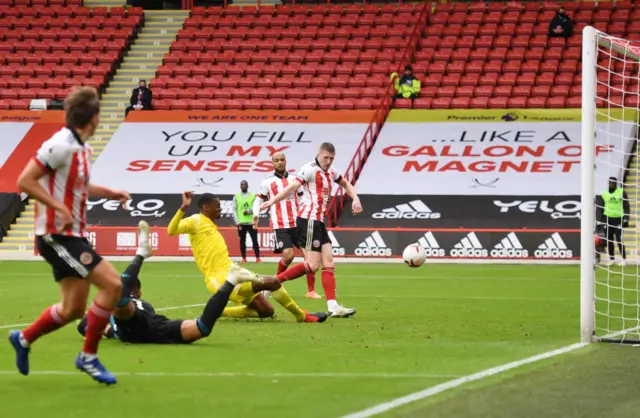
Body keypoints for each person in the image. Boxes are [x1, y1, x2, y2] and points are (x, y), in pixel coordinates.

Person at [9, 87, 129, 385]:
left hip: (72, 235)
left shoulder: (82, 148)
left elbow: (79, 187)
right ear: (93, 117)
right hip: (57, 235)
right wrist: (57, 206)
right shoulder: (60, 144)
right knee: (113, 284)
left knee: (74, 308)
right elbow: (24, 180)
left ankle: (23, 339)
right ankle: (88, 357)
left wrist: (111, 192)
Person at [77, 221, 252, 344]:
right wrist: (106, 331)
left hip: (142, 325)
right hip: (146, 327)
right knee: (201, 329)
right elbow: (85, 326)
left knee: (202, 329)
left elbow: (86, 326)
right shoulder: (129, 306)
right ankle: (232, 279)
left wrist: (105, 330)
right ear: (138, 293)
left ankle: (142, 252)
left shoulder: (130, 305)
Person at [167, 191, 326, 323]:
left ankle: (216, 312)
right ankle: (301, 316)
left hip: (233, 271)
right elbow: (171, 231)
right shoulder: (195, 221)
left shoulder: (209, 224)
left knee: (266, 311)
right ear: (206, 207)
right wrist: (183, 208)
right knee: (272, 281)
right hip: (221, 279)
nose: (220, 210)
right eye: (218, 207)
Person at [261, 142, 362, 318]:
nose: (329, 161)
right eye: (326, 158)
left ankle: (333, 306)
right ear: (319, 154)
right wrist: (272, 201)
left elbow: (346, 184)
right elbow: (291, 187)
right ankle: (272, 283)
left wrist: (355, 199)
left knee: (329, 263)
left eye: (331, 158)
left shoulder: (332, 171)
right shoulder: (309, 169)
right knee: (312, 265)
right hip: (308, 220)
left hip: (319, 222)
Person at [252, 152, 320, 300]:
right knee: (288, 256)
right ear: (272, 163)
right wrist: (256, 214)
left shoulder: (295, 180)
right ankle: (273, 284)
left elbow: (303, 199)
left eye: (282, 160)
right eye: (276, 160)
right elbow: (258, 200)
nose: (280, 163)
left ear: (286, 161)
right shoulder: (267, 182)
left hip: (298, 223)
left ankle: (311, 290)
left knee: (309, 256)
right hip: (280, 224)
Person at [601, 176, 630, 266]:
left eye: (613, 183)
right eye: (610, 183)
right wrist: (601, 220)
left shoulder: (621, 192)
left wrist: (626, 218)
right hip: (608, 218)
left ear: (616, 183)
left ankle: (624, 259)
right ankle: (611, 259)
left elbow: (626, 205)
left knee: (619, 239)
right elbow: (602, 207)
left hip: (618, 219)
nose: (611, 184)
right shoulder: (604, 193)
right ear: (608, 183)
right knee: (609, 240)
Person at [232, 180, 261, 263]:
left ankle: (258, 258)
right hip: (241, 223)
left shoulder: (252, 196)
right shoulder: (236, 196)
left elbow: (257, 208)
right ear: (240, 186)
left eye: (245, 184)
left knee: (255, 241)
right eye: (242, 185)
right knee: (242, 241)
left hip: (251, 222)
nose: (243, 186)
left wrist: (248, 211)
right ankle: (244, 258)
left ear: (247, 186)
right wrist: (236, 221)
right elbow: (233, 209)